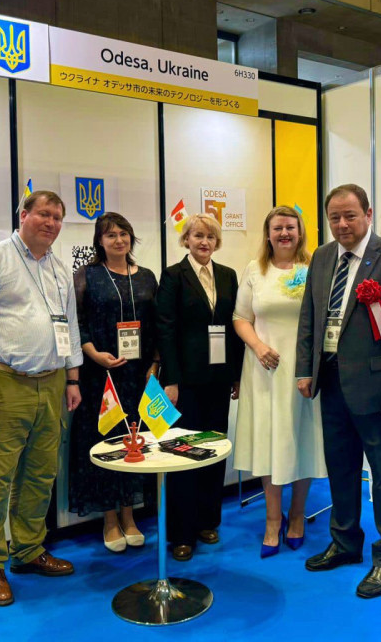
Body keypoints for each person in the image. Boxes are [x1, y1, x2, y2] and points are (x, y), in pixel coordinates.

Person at [0, 190, 83, 607]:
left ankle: (28, 550)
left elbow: (69, 325)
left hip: (52, 382)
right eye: (43, 214)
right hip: (4, 383)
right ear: (23, 215)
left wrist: (73, 377)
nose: (51, 223)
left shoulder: (59, 269)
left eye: (57, 217)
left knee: (40, 475)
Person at [296, 184, 381, 599]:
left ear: (368, 214)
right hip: (331, 383)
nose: (342, 224)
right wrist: (305, 370)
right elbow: (310, 317)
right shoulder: (321, 258)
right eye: (334, 217)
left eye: (350, 215)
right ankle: (345, 542)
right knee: (341, 470)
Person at [232, 206, 327, 558]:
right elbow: (240, 317)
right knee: (268, 442)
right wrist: (258, 346)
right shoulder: (254, 270)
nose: (284, 233)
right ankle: (273, 519)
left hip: (304, 372)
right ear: (268, 234)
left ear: (300, 232)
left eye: (290, 227)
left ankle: (297, 515)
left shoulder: (314, 268)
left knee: (301, 440)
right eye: (277, 228)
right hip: (264, 369)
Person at [155, 213, 243, 562]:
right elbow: (165, 328)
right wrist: (171, 380)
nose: (204, 242)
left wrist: (236, 375)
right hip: (185, 382)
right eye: (197, 236)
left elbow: (235, 327)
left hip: (219, 380)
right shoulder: (173, 275)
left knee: (213, 449)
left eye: (210, 237)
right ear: (186, 240)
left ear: (216, 242)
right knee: (184, 452)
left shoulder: (228, 275)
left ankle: (208, 520)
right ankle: (181, 532)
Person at [69, 212, 158, 552]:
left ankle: (130, 516)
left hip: (139, 376)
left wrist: (155, 364)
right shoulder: (87, 275)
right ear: (99, 241)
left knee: (135, 443)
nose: (118, 240)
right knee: (106, 441)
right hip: (101, 375)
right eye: (111, 235)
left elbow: (158, 324)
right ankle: (109, 520)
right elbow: (77, 322)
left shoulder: (147, 276)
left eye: (124, 233)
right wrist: (93, 354)